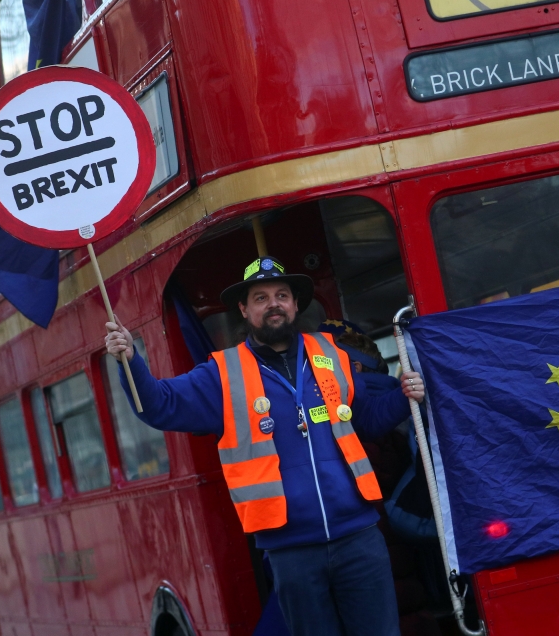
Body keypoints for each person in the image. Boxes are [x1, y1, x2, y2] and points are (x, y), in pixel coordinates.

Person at [105, 256, 425, 636]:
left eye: (281, 295)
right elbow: (159, 405)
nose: (273, 303)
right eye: (260, 298)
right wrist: (129, 360)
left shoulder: (331, 356)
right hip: (291, 551)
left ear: (294, 305)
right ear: (244, 309)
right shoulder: (222, 374)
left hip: (359, 538)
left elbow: (367, 418)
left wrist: (405, 394)